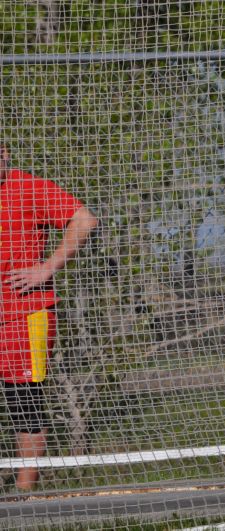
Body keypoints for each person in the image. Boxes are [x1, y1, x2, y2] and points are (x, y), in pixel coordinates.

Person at [0, 145, 98, 490]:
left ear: (5, 153)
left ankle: (22, 494)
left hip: (25, 313)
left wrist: (47, 267)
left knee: (23, 399)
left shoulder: (30, 188)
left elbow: (84, 219)